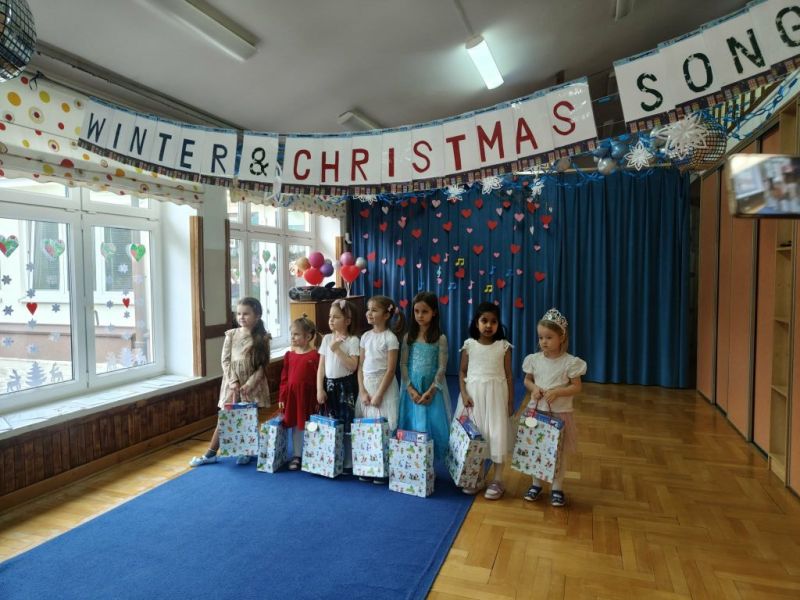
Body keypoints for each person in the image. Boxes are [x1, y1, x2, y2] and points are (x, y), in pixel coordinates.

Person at [189, 297, 271, 467]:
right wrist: (233, 381)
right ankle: (211, 453)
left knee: (248, 417)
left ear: (257, 315)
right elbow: (225, 361)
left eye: (246, 314)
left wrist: (249, 384)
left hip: (252, 386)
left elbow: (262, 366)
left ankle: (247, 451)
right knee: (225, 418)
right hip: (232, 385)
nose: (241, 317)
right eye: (239, 314)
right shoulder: (231, 335)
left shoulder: (262, 338)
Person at [521, 308, 586, 507]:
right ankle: (536, 484)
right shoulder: (534, 359)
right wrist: (534, 389)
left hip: (559, 415)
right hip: (537, 412)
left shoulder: (570, 362)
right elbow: (527, 380)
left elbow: (577, 387)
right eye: (541, 337)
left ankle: (557, 487)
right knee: (535, 448)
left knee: (558, 452)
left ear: (561, 337)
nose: (544, 342)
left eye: (549, 337)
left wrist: (558, 392)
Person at [454, 302, 513, 499]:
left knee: (496, 435)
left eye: (493, 321)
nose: (488, 325)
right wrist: (464, 393)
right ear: (476, 322)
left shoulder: (503, 346)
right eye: (484, 320)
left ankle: (498, 479)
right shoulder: (469, 345)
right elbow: (462, 371)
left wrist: (510, 402)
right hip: (473, 398)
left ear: (499, 324)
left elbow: (509, 375)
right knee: (476, 435)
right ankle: (476, 476)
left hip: (496, 398)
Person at [357, 295, 406, 483]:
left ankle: (383, 468)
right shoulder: (365, 337)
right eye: (368, 309)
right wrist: (362, 391)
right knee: (367, 428)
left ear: (386, 315)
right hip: (367, 387)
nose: (369, 313)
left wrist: (379, 394)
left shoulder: (390, 338)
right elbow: (360, 367)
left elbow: (391, 370)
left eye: (374, 310)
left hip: (383, 388)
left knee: (384, 428)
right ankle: (369, 465)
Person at [398, 291, 452, 459]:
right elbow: (403, 364)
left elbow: (442, 367)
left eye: (425, 311)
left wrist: (432, 390)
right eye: (416, 311)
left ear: (434, 312)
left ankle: (429, 464)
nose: (420, 315)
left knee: (433, 425)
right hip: (412, 389)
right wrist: (410, 389)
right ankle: (414, 463)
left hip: (431, 389)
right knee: (413, 424)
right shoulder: (409, 337)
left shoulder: (440, 338)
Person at [316, 299, 360, 472]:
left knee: (346, 422)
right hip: (329, 386)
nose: (331, 320)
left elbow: (353, 366)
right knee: (330, 421)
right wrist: (320, 389)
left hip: (345, 387)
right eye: (330, 317)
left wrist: (337, 349)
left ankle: (348, 461)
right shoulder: (327, 338)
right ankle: (332, 458)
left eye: (336, 317)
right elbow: (321, 367)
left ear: (347, 321)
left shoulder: (353, 340)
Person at [280, 316, 321, 470]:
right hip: (293, 396)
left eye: (296, 334)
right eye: (291, 334)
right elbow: (284, 378)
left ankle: (313, 452)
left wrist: (319, 397)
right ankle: (297, 455)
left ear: (308, 336)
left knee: (311, 424)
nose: (292, 337)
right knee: (296, 425)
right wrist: (282, 396)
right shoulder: (289, 355)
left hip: (309, 396)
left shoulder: (316, 356)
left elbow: (320, 378)